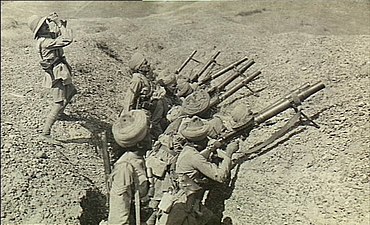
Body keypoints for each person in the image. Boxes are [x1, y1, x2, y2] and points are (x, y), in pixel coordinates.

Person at [155, 117, 239, 225]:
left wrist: (210, 149)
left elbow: (198, 158)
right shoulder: (193, 156)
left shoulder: (187, 150)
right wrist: (229, 154)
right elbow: (220, 177)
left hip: (184, 196)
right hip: (187, 204)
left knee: (212, 219)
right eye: (205, 139)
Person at [27, 12, 77, 138]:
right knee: (58, 102)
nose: (47, 27)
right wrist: (59, 24)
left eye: (46, 24)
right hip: (56, 73)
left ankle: (59, 114)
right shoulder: (45, 42)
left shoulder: (46, 37)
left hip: (59, 70)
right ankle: (46, 132)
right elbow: (67, 39)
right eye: (44, 26)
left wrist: (60, 24)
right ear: (39, 31)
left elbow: (58, 34)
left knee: (71, 91)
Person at [108, 109, 151, 225]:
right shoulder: (124, 169)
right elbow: (118, 217)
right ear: (139, 143)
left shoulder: (140, 159)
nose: (151, 137)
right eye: (147, 134)